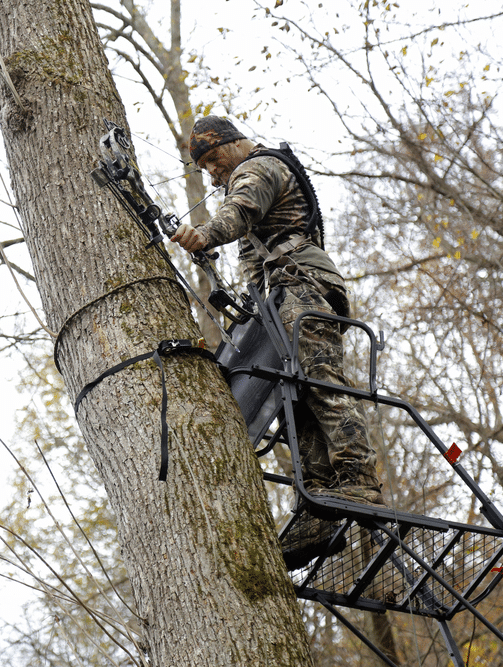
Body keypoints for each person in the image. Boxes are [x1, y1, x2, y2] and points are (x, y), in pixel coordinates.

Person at [171, 115, 385, 570]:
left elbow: (240, 210)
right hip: (285, 293)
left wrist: (205, 234)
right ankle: (320, 507)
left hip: (302, 287)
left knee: (320, 383)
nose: (212, 172)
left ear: (232, 143)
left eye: (213, 159)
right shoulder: (247, 171)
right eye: (204, 166)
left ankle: (358, 477)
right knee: (297, 398)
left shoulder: (258, 168)